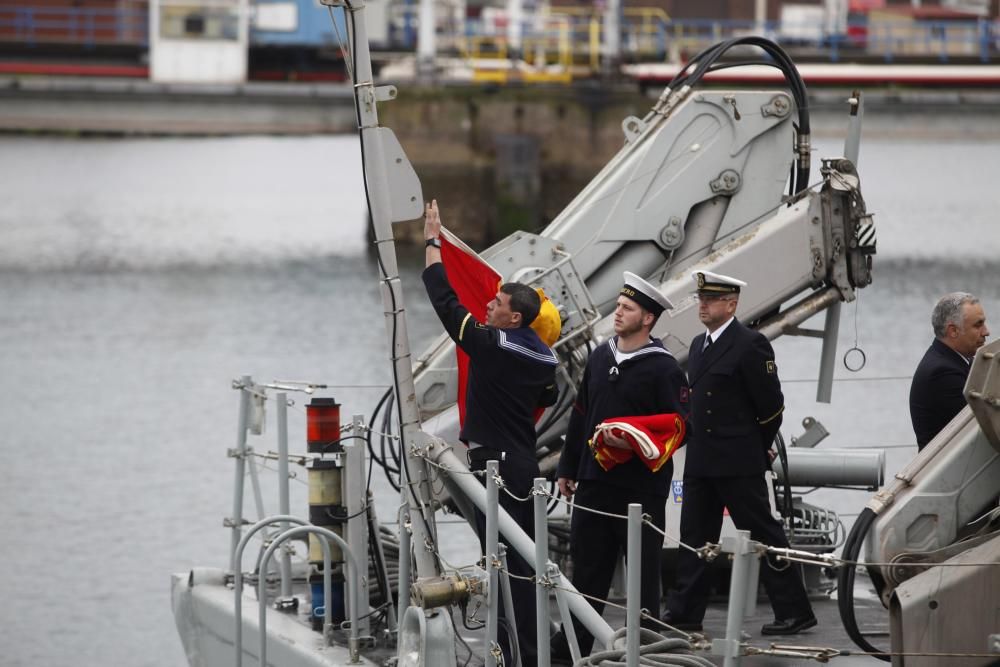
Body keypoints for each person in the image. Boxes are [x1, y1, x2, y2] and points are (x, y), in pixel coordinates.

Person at [422, 199, 558, 666]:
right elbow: (550, 396)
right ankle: (520, 643)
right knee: (512, 560)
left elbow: (448, 307)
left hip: (497, 466)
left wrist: (432, 246)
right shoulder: (541, 354)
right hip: (519, 459)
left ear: (514, 318)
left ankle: (521, 649)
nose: (488, 304)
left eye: (496, 304)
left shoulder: (498, 347)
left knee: (507, 562)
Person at [663, 270, 816, 636]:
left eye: (711, 299)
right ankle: (685, 611)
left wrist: (753, 443)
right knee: (694, 535)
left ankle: (795, 611)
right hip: (702, 459)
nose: (703, 305)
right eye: (701, 299)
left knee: (765, 534)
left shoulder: (751, 344)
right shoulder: (699, 345)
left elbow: (772, 407)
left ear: (731, 304)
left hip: (738, 459)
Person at [554, 271, 689, 657]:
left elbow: (681, 426)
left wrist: (631, 437)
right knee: (587, 569)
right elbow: (581, 414)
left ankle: (646, 648)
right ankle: (573, 648)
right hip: (594, 482)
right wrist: (568, 468)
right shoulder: (600, 356)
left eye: (627, 308)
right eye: (618, 305)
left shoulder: (664, 368)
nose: (617, 312)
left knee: (643, 574)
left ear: (647, 318)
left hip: (639, 490)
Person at [909, 292, 990, 451]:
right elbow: (982, 427)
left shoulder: (954, 360)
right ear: (953, 331)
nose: (986, 332)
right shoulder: (942, 373)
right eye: (978, 325)